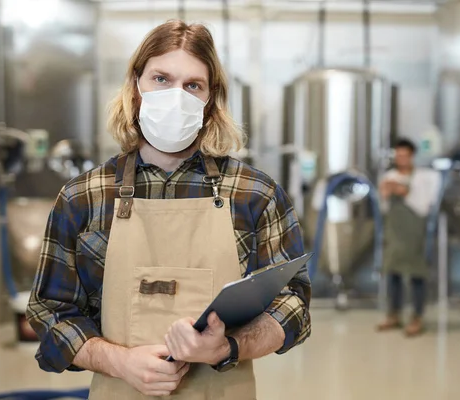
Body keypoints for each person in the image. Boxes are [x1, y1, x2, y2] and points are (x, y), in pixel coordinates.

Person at [27, 20, 311, 400]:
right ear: (135, 86)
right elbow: (49, 311)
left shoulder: (255, 194)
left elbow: (293, 301)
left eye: (192, 85)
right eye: (161, 79)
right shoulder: (85, 196)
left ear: (210, 101)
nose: (176, 96)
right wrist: (120, 362)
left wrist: (227, 347)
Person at [376, 138, 440, 337]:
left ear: (412, 156)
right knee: (393, 272)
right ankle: (393, 315)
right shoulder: (389, 176)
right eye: (398, 155)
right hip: (394, 232)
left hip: (415, 232)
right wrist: (386, 193)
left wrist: (405, 191)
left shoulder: (426, 177)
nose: (401, 159)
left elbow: (426, 205)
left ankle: (417, 317)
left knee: (416, 274)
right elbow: (383, 208)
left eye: (405, 155)